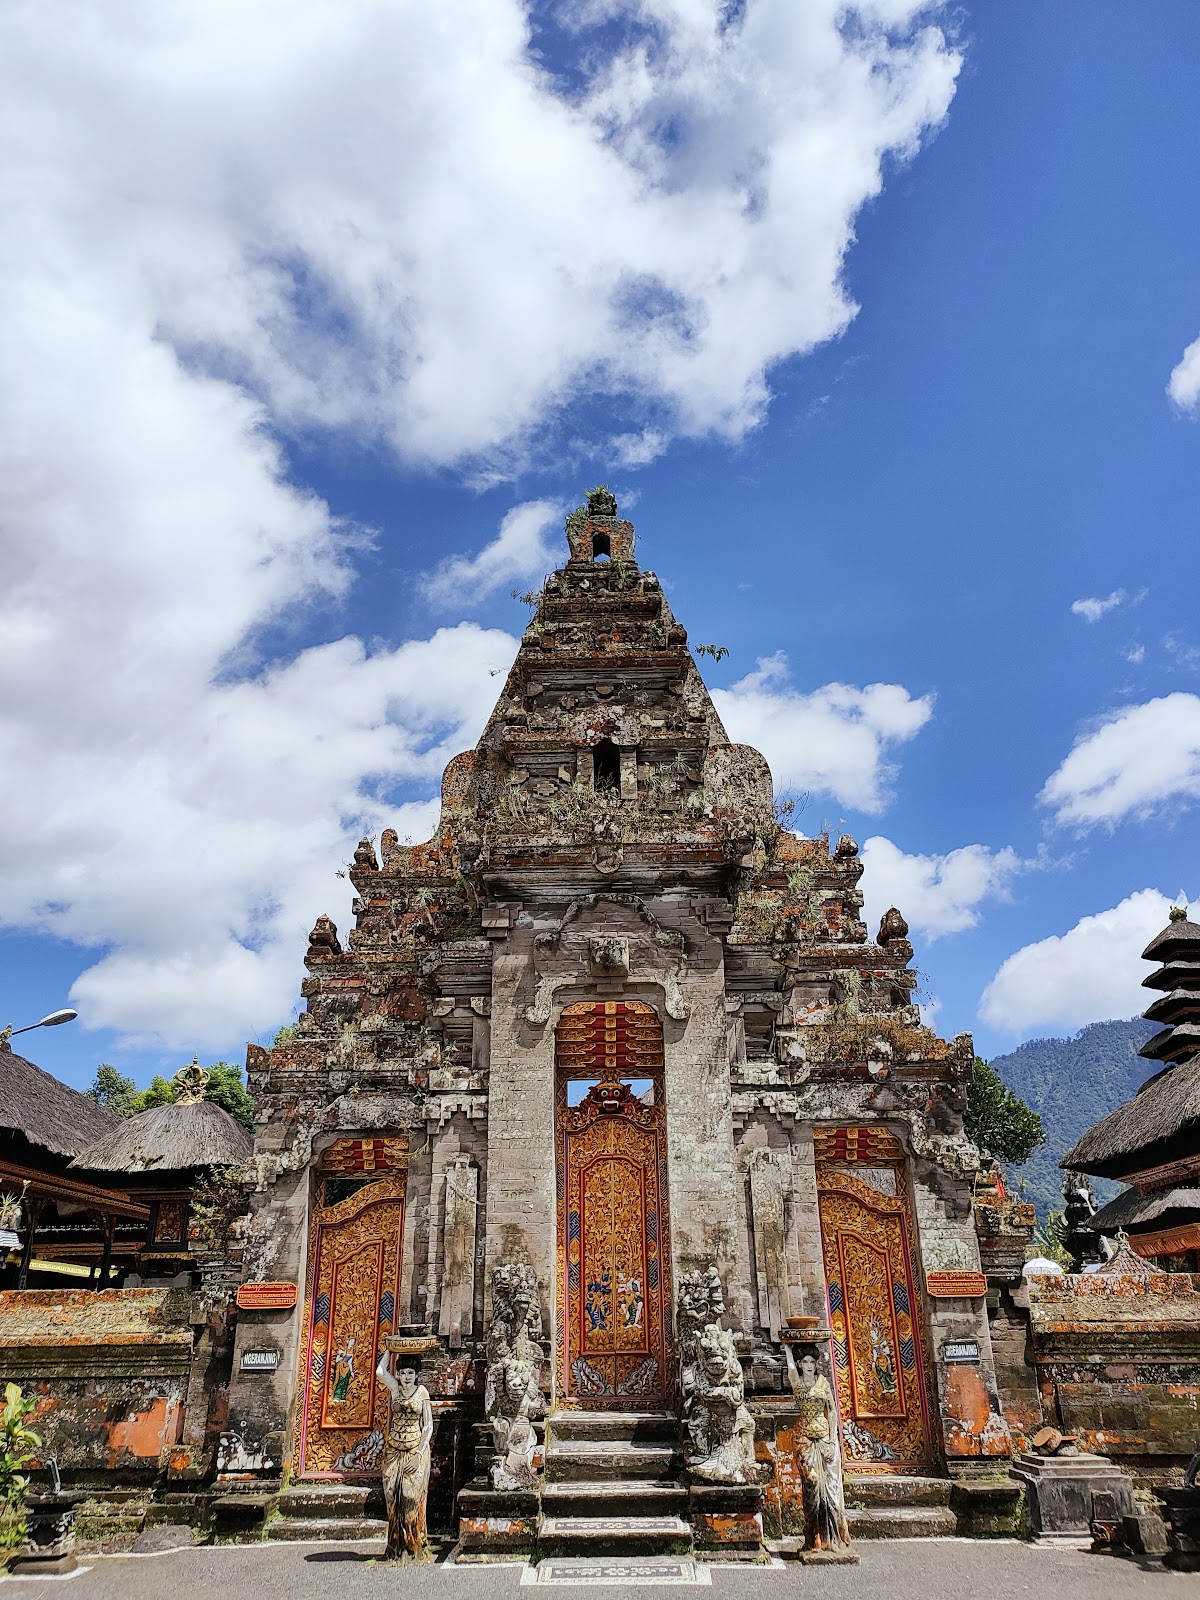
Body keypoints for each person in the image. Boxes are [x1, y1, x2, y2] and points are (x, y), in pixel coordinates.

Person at [783, 1342, 850, 1552]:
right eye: (805, 1362)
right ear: (800, 1364)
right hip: (805, 1441)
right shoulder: (797, 1382)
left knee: (830, 1491)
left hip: (824, 1440)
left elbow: (831, 1412)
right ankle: (814, 1538)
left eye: (812, 1361)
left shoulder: (823, 1383)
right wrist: (786, 1347)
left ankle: (834, 1538)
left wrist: (831, 1440)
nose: (809, 1365)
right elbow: (790, 1368)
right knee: (811, 1487)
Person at [375, 1350, 434, 1560]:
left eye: (410, 1372)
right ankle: (395, 1546)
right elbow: (380, 1371)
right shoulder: (395, 1389)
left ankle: (413, 1545)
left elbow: (427, 1426)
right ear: (398, 1374)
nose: (406, 1377)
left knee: (410, 1498)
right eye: (403, 1372)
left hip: (414, 1449)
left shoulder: (422, 1392)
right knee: (392, 1497)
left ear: (416, 1375)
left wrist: (418, 1453)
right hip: (394, 1450)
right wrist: (390, 1350)